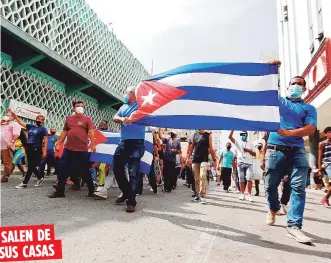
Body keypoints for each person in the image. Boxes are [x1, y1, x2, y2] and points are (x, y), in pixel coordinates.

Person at [263, 75, 317, 244]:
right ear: (288, 86)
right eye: (293, 83)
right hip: (275, 149)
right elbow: (265, 89)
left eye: (300, 84)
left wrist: (289, 133)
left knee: (298, 187)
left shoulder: (309, 108)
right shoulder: (278, 102)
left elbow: (310, 129)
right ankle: (273, 208)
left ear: (304, 88)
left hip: (297, 151)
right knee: (270, 184)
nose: (296, 86)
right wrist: (272, 70)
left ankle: (294, 226)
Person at [49, 101, 96, 198]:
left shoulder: (87, 119)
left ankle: (91, 190)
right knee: (63, 168)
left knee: (84, 171)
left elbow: (91, 132)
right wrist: (59, 142)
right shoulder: (69, 119)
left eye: (82, 106)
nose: (80, 108)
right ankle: (60, 192)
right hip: (68, 149)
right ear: (73, 108)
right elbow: (64, 131)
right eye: (78, 106)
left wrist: (93, 144)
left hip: (82, 150)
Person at [112, 86, 146, 213]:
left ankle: (131, 202)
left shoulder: (141, 105)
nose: (125, 95)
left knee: (133, 173)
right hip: (124, 143)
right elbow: (115, 117)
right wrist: (122, 119)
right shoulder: (123, 106)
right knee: (116, 167)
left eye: (126, 93)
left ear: (132, 93)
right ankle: (127, 192)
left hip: (137, 143)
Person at [11, 112, 48, 188]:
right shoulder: (31, 127)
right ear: (36, 119)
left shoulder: (43, 129)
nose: (40, 120)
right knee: (32, 166)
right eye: (38, 119)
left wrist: (44, 151)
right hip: (29, 148)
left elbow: (46, 140)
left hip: (36, 149)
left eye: (42, 120)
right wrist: (14, 115)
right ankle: (40, 177)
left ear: (43, 121)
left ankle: (24, 183)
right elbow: (21, 122)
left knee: (31, 166)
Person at [186, 130, 217, 204]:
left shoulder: (208, 135)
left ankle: (202, 195)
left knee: (203, 176)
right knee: (196, 179)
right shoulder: (194, 135)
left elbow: (211, 147)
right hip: (195, 160)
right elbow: (192, 147)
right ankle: (197, 195)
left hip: (204, 160)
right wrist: (188, 158)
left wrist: (214, 159)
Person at [229, 130, 255, 202]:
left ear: (246, 135)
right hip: (240, 163)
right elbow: (230, 137)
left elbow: (255, 154)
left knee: (249, 178)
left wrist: (249, 151)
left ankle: (249, 195)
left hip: (249, 163)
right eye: (241, 135)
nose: (242, 136)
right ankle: (242, 194)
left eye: (243, 135)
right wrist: (232, 129)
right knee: (241, 179)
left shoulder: (251, 144)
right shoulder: (238, 143)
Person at [158, 129, 181, 193]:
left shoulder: (178, 142)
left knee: (171, 175)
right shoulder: (168, 140)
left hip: (173, 161)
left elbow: (180, 151)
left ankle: (170, 188)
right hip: (166, 160)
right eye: (171, 133)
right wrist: (159, 129)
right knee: (166, 174)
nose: (172, 134)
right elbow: (160, 137)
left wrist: (175, 150)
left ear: (175, 135)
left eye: (173, 133)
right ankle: (166, 187)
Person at [1, 111, 21, 182]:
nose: (6, 116)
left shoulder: (15, 124)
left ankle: (6, 176)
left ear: (12, 117)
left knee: (7, 162)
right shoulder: (4, 123)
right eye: (6, 115)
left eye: (8, 115)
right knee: (6, 161)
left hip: (7, 146)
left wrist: (11, 142)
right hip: (1, 145)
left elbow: (16, 134)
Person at [319, 126, 331, 208]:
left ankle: (325, 198)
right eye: (329, 132)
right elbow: (319, 157)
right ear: (326, 134)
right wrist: (319, 169)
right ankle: (325, 198)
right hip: (328, 164)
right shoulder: (322, 143)